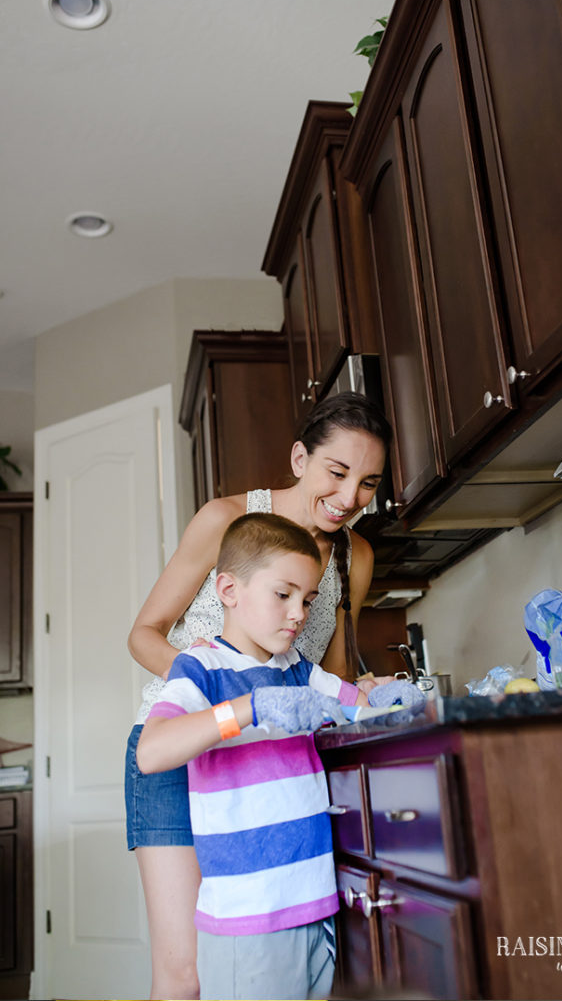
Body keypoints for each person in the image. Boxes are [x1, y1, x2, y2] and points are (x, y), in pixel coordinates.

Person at [125, 391, 394, 999]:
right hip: (180, 749)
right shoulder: (226, 519)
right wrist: (224, 687)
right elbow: (144, 635)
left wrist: (361, 692)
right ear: (300, 458)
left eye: (368, 483)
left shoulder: (356, 554)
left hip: (264, 761)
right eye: (337, 472)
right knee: (185, 974)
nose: (350, 498)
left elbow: (324, 669)